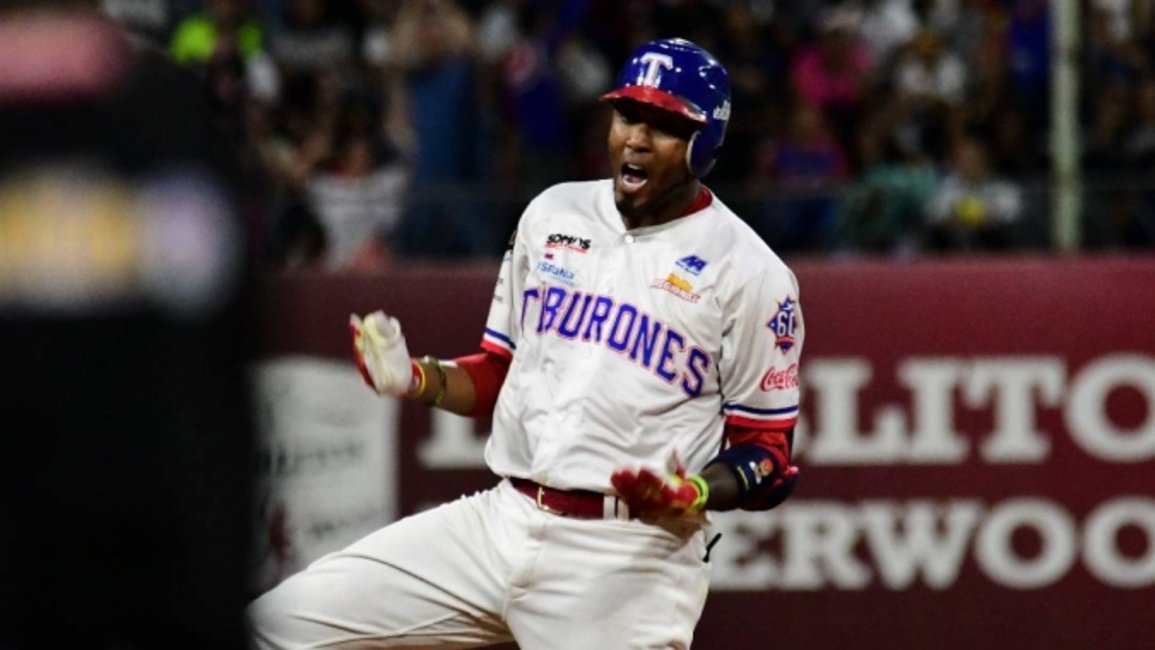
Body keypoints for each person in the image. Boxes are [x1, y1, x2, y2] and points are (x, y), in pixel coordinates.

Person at [247, 37, 804, 650]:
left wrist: (694, 490)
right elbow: (500, 370)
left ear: (705, 141)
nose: (637, 139)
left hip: (629, 555)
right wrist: (417, 377)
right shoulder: (554, 214)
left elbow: (767, 454)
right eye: (627, 115)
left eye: (665, 125)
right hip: (499, 520)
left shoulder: (751, 272)